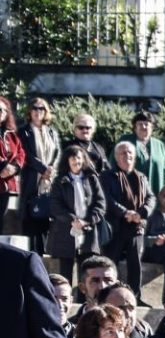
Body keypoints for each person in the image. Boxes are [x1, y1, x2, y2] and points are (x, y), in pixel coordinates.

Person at [47, 143, 105, 284]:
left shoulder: (92, 179)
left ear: (83, 159)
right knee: (65, 275)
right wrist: (72, 220)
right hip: (66, 232)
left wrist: (87, 221)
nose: (76, 162)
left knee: (86, 275)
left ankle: (84, 303)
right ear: (67, 161)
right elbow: (55, 206)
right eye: (72, 159)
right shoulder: (59, 181)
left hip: (88, 232)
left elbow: (100, 204)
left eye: (78, 158)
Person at [102, 142, 152, 297]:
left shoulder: (142, 177)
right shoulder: (106, 176)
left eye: (130, 153)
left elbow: (151, 198)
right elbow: (106, 199)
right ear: (116, 157)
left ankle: (135, 296)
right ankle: (106, 294)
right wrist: (125, 213)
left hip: (136, 227)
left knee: (135, 264)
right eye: (122, 153)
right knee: (110, 264)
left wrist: (142, 212)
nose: (127, 156)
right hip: (116, 227)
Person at [19, 96, 61, 255]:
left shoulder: (52, 132)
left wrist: (51, 169)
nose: (38, 111)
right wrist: (42, 168)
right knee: (30, 222)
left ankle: (42, 259)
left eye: (41, 108)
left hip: (49, 183)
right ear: (30, 111)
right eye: (35, 108)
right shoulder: (24, 132)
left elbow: (57, 153)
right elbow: (25, 154)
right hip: (31, 182)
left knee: (45, 222)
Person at [125, 109, 165, 193]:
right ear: (135, 128)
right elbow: (113, 165)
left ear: (152, 128)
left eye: (146, 124)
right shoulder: (126, 141)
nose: (143, 127)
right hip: (131, 193)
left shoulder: (159, 145)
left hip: (155, 193)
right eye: (140, 124)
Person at [0, 95, 23, 237]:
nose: (0, 113)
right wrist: (2, 167)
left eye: (2, 110)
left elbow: (21, 153)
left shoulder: (11, 135)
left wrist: (14, 168)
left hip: (6, 186)